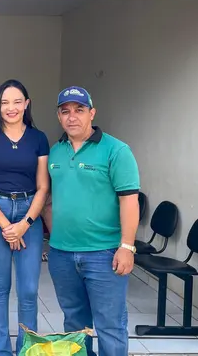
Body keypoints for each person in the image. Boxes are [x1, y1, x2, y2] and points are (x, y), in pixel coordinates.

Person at [44, 86, 140, 356]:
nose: (72, 117)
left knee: (110, 325)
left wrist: (127, 247)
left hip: (104, 254)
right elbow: (48, 199)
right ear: (59, 116)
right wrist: (56, 236)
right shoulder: (55, 152)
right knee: (74, 325)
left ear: (92, 113)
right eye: (65, 111)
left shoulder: (116, 151)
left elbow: (129, 201)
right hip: (62, 255)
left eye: (79, 110)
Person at [0, 79, 50, 356]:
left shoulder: (38, 138)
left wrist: (25, 224)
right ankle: (2, 351)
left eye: (17, 101)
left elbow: (43, 186)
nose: (11, 108)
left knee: (28, 290)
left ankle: (28, 349)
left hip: (29, 213)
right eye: (5, 102)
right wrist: (7, 227)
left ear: (26, 104)